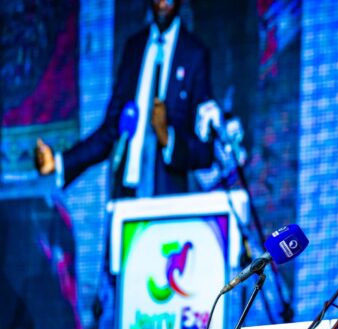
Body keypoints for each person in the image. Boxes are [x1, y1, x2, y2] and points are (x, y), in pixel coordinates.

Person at [35, 0, 214, 198]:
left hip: (168, 196)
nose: (162, 4)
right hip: (128, 192)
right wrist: (60, 163)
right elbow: (111, 129)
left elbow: (204, 151)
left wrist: (167, 137)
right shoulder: (134, 48)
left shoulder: (194, 54)